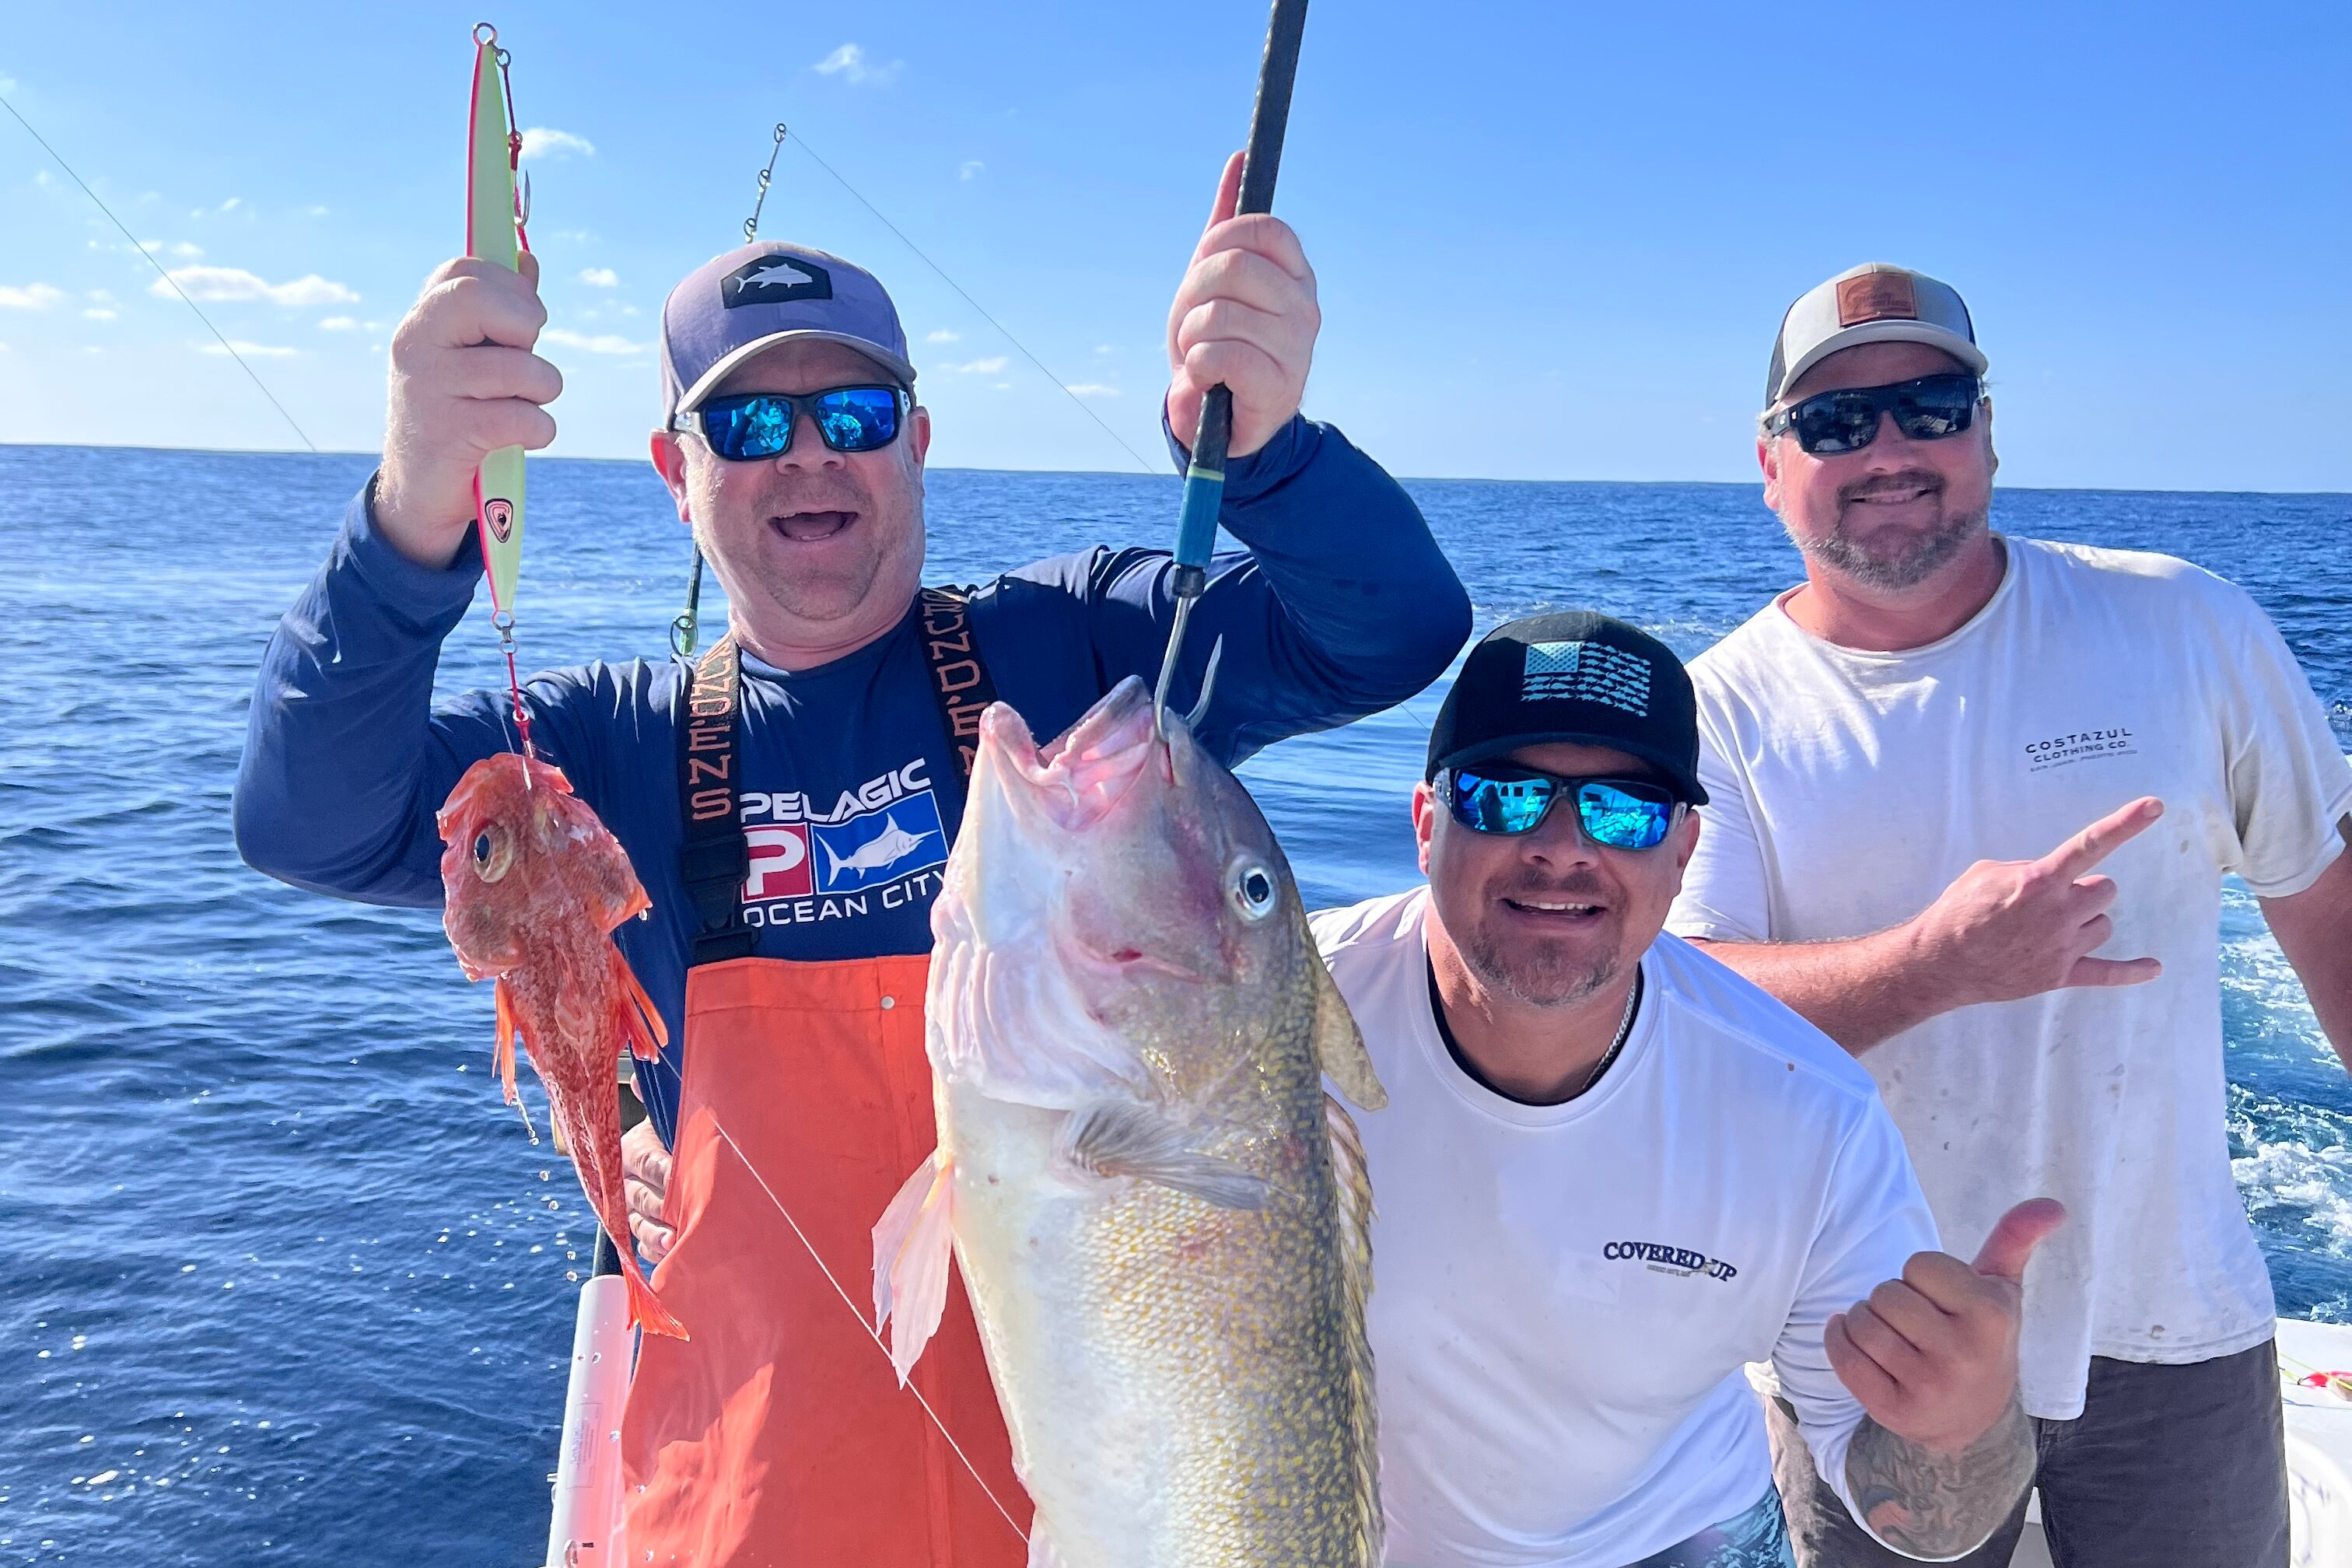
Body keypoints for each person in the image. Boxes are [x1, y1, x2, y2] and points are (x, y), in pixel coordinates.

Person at [231, 152, 1471, 1567]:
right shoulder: (603, 754)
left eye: (855, 412)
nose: (808, 452)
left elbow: (1391, 627)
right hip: (752, 1514)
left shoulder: (1066, 653)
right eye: (749, 419)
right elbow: (310, 820)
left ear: (918, 442)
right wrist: (407, 517)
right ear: (674, 471)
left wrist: (1262, 451)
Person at [1664, 262, 2352, 1567]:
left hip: (2173, 1326)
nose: (1885, 447)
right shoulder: (1711, 716)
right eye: (1831, 422)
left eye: (1928, 405)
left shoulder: (2184, 625)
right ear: (1767, 464)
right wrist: (1932, 966)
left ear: (1984, 431)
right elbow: (1684, 1015)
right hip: (1863, 1336)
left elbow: (2328, 913)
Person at [1308, 611, 2056, 1566]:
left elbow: (1923, 1517)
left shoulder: (1805, 1111)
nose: (1563, 845)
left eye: (1627, 812)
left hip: (1679, 1544)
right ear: (1425, 826)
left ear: (1684, 852)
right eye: (1506, 798)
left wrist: (1966, 1430)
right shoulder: (1263, 1021)